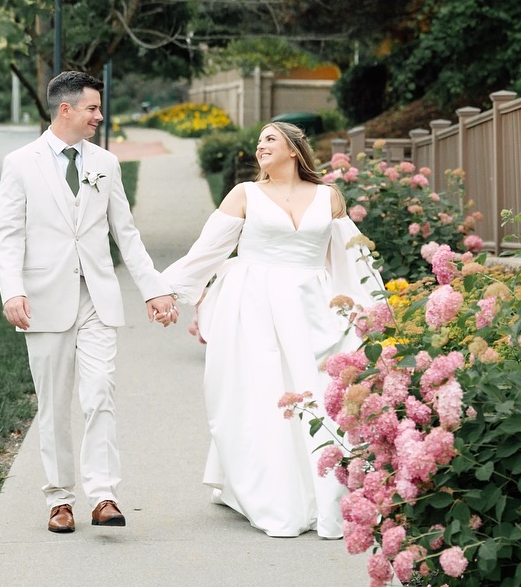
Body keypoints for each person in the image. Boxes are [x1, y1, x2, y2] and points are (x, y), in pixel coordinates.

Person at [161, 121, 383, 539]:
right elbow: (206, 251)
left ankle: (323, 495)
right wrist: (167, 291)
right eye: (259, 139)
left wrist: (372, 308)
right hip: (253, 309)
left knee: (315, 395)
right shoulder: (244, 194)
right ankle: (268, 495)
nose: (260, 146)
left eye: (269, 139)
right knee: (260, 397)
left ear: (294, 149)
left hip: (311, 311)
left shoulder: (327, 196)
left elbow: (351, 259)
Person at [0, 71, 178, 534]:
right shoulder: (21, 164)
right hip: (43, 298)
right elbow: (9, 236)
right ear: (66, 110)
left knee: (100, 393)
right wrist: (12, 289)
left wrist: (154, 288)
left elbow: (127, 234)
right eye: (93, 108)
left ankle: (104, 495)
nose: (100, 116)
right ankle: (59, 499)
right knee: (54, 403)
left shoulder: (105, 164)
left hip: (97, 297)